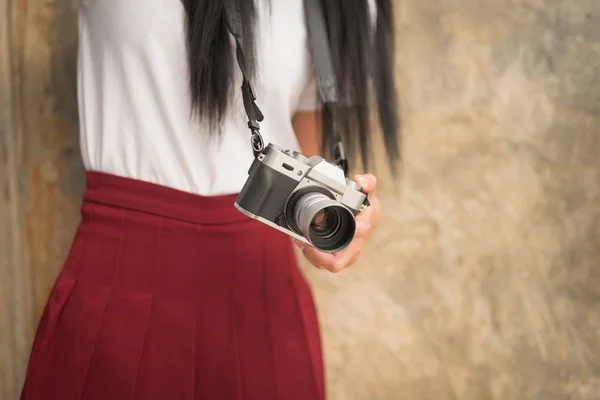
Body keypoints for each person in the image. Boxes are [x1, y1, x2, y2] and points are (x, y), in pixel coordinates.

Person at [20, 0, 399, 399]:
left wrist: (342, 214)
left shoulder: (348, 7)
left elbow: (309, 148)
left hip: (265, 295)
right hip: (119, 275)